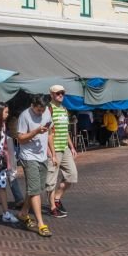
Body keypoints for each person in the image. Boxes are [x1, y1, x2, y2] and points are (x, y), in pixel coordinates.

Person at [16, 95, 53, 238]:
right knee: (35, 191)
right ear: (33, 105)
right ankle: (41, 224)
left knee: (35, 188)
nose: (40, 113)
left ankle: (23, 213)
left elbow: (50, 133)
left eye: (42, 110)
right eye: (38, 110)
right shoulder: (24, 116)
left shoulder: (47, 112)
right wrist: (36, 132)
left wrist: (52, 152)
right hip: (28, 157)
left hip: (42, 156)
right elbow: (20, 139)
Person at [46, 85, 77, 218]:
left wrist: (72, 147)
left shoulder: (64, 109)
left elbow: (66, 131)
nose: (61, 95)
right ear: (52, 94)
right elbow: (47, 133)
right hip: (54, 150)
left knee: (72, 175)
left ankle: (57, 198)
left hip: (64, 148)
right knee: (51, 180)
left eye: (62, 93)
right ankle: (52, 206)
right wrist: (51, 152)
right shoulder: (49, 109)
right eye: (58, 93)